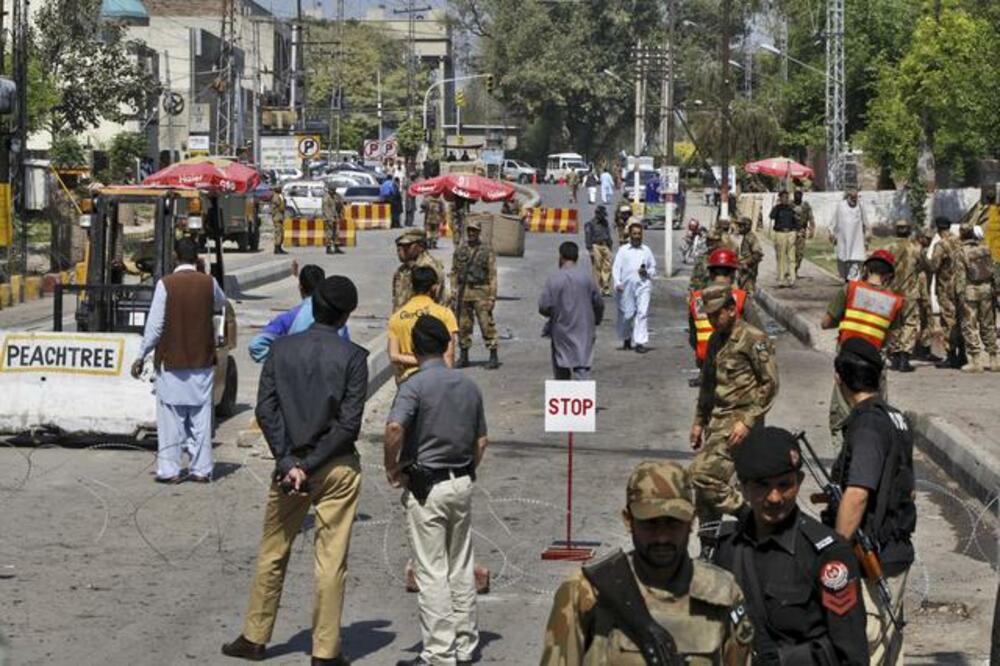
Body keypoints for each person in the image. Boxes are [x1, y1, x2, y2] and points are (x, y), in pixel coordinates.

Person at [222, 277, 367, 666]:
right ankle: (324, 650)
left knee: (273, 551)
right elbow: (348, 425)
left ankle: (254, 637)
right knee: (330, 560)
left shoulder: (281, 350)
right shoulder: (353, 357)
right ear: (345, 316)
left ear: (313, 305)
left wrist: (289, 462)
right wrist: (309, 463)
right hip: (334, 465)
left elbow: (266, 410)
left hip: (289, 468)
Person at [539, 461, 755, 664]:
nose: (662, 537)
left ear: (691, 522)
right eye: (650, 524)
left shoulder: (722, 592)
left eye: (673, 523)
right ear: (628, 520)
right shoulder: (585, 592)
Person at [714, 426, 869, 665]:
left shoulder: (827, 554)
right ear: (742, 489)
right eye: (762, 486)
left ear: (799, 482)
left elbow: (851, 654)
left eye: (784, 485)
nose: (775, 497)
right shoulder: (727, 548)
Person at [384, 315, 488, 666]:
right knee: (460, 564)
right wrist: (466, 469)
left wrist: (392, 466)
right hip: (461, 481)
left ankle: (439, 653)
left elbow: (396, 426)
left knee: (431, 571)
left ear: (413, 348)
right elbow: (482, 441)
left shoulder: (413, 386)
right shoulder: (468, 386)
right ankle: (464, 643)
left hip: (427, 486)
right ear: (447, 345)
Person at [829, 338, 917, 665]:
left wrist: (835, 549)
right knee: (888, 651)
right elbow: (907, 489)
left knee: (865, 649)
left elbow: (858, 493)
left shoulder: (866, 424)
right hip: (893, 551)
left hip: (871, 558)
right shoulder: (895, 418)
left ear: (840, 378)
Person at [689, 283, 778, 549]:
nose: (713, 320)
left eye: (718, 314)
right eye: (710, 316)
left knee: (701, 474)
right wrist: (698, 421)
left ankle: (750, 515)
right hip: (717, 422)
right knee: (705, 494)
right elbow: (707, 385)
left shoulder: (754, 339)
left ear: (731, 308)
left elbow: (770, 384)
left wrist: (748, 421)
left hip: (740, 423)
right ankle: (708, 544)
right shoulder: (716, 339)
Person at [131, 237, 226, 484]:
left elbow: (154, 326)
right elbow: (220, 303)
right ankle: (202, 469)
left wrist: (141, 355)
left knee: (171, 419)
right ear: (197, 258)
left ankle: (170, 470)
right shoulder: (209, 283)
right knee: (201, 418)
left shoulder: (166, 284)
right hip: (202, 362)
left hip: (171, 363)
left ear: (175, 256)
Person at [821, 250, 902, 444]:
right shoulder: (895, 301)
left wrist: (843, 318)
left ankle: (844, 465)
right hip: (874, 364)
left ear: (866, 269)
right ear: (889, 275)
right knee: (875, 416)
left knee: (841, 418)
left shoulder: (850, 289)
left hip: (848, 362)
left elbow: (825, 322)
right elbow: (891, 336)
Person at [249, 265, 350, 363]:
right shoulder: (337, 319)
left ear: (300, 288)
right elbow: (346, 353)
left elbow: (256, 345)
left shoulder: (290, 318)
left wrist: (282, 363)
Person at [538, 241, 604, 380]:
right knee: (582, 367)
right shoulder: (587, 278)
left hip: (561, 330)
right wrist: (595, 320)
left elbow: (543, 306)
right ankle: (582, 398)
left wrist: (556, 313)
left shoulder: (554, 279)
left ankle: (564, 397)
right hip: (584, 331)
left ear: (560, 257)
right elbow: (598, 303)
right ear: (577, 257)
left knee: (561, 367)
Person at [388, 266, 458, 383]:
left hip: (407, 381)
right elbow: (449, 355)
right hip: (437, 378)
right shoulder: (444, 314)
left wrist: (418, 360)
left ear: (412, 287)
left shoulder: (397, 317)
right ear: (434, 287)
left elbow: (394, 356)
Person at [688, 249, 748, 374]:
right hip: (734, 365)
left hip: (705, 364)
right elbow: (758, 334)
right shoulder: (741, 298)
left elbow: (693, 337)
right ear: (732, 274)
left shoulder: (696, 298)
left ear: (710, 274)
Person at [451, 218, 499, 369]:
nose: (471, 233)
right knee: (463, 325)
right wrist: (453, 289)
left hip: (481, 291)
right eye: (469, 230)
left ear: (479, 232)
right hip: (464, 292)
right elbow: (454, 272)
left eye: (474, 231)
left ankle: (493, 355)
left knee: (486, 324)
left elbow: (492, 275)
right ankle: (464, 355)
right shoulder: (460, 250)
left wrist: (492, 296)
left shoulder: (486, 250)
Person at [955, 223, 998, 372]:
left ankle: (976, 361)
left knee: (970, 326)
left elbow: (960, 277)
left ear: (962, 234)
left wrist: (959, 295)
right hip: (987, 290)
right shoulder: (985, 249)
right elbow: (993, 272)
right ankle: (994, 359)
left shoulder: (961, 252)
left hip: (970, 293)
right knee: (988, 324)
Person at [612, 221, 656, 354]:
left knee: (642, 313)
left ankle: (640, 342)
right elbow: (616, 268)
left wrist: (647, 273)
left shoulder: (646, 250)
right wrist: (617, 283)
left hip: (643, 286)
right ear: (630, 235)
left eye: (639, 234)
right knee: (627, 314)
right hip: (626, 287)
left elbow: (653, 268)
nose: (637, 236)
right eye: (634, 234)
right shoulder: (623, 250)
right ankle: (626, 338)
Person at [885, 219, 923, 372]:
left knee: (894, 323)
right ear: (909, 230)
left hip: (892, 292)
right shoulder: (916, 248)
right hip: (910, 292)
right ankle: (904, 357)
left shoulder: (888, 248)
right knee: (909, 323)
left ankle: (894, 356)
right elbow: (924, 265)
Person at [929, 217, 964, 369]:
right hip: (961, 286)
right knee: (960, 318)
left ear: (938, 228)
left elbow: (934, 266)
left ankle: (951, 356)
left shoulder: (941, 245)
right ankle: (962, 354)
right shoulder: (959, 241)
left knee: (948, 321)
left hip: (946, 288)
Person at [393, 228, 449, 313]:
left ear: (421, 246)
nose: (402, 249)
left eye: (408, 246)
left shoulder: (428, 268)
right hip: (402, 321)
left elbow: (439, 300)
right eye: (400, 246)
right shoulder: (403, 269)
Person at [831, 190, 868, 282]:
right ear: (848, 197)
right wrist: (832, 233)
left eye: (855, 198)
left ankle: (852, 282)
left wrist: (867, 235)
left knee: (855, 260)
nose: (854, 200)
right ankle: (846, 278)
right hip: (843, 240)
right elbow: (834, 220)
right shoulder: (841, 206)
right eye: (852, 197)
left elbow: (865, 222)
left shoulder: (860, 206)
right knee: (842, 260)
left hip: (856, 241)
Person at [769, 190, 798, 288]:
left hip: (790, 233)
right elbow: (771, 216)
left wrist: (796, 232)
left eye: (787, 197)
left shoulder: (791, 209)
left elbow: (795, 221)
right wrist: (777, 207)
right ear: (780, 198)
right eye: (783, 197)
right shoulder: (777, 208)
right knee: (781, 257)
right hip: (780, 233)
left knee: (791, 257)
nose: (786, 199)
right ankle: (781, 279)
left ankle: (792, 279)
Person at [583, 205, 614, 296]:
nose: (603, 217)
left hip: (605, 245)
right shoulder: (590, 224)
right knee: (597, 267)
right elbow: (588, 237)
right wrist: (590, 249)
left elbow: (608, 233)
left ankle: (606, 287)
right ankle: (599, 288)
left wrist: (610, 244)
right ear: (597, 214)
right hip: (596, 246)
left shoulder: (605, 223)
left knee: (607, 267)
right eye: (602, 215)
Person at [688, 228, 726, 292]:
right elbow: (695, 279)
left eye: (713, 241)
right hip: (703, 294)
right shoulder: (702, 258)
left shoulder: (724, 258)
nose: (709, 243)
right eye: (708, 240)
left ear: (719, 242)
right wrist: (691, 292)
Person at [792, 187, 816, 277]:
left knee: (800, 253)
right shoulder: (790, 204)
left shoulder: (806, 206)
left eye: (799, 194)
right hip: (791, 231)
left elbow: (811, 218)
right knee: (790, 252)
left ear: (801, 195)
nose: (797, 195)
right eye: (796, 193)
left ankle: (795, 269)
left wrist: (812, 229)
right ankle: (790, 271)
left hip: (802, 231)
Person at [737, 216, 763, 294]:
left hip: (749, 271)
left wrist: (746, 263)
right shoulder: (746, 237)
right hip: (743, 270)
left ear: (746, 226)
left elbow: (758, 254)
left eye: (741, 226)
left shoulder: (751, 238)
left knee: (748, 292)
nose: (739, 228)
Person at [322, 189, 345, 255]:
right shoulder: (326, 197)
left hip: (336, 216)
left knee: (336, 233)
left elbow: (341, 205)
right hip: (329, 218)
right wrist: (329, 218)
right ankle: (328, 248)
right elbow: (326, 209)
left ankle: (336, 247)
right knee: (329, 233)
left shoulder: (337, 196)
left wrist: (341, 214)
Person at [271, 186, 287, 254]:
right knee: (278, 233)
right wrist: (284, 201)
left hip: (279, 217)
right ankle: (277, 248)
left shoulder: (278, 196)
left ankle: (279, 247)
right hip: (277, 217)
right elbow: (281, 207)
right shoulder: (276, 197)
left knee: (280, 233)